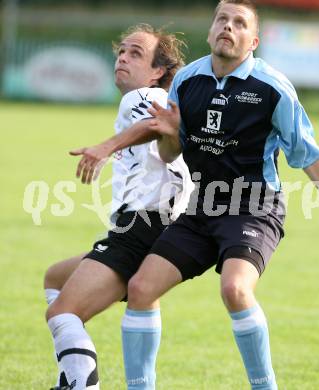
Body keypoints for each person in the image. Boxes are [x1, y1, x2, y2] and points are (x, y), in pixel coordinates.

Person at [113, 1, 319, 389]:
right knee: (140, 288)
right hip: (202, 207)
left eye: (239, 23)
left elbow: (308, 155)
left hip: (255, 208)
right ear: (210, 31)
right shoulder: (187, 81)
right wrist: (170, 133)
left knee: (234, 288)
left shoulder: (272, 88)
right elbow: (172, 154)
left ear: (253, 40)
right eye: (222, 19)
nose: (228, 27)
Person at [44, 24, 192, 390]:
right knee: (55, 277)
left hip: (142, 227)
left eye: (136, 53)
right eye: (122, 51)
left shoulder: (143, 97)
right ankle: (79, 377)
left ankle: (80, 383)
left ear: (158, 70)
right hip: (155, 226)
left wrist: (107, 146)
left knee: (62, 312)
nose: (123, 57)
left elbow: (156, 125)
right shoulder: (160, 99)